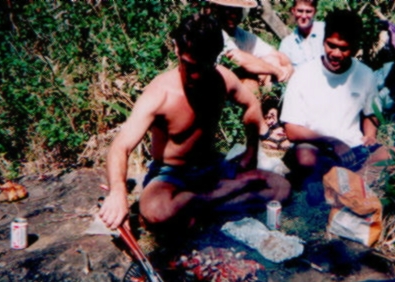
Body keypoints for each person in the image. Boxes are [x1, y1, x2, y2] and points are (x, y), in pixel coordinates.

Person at [98, 13, 290, 233]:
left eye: (204, 66)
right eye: (189, 65)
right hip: (171, 175)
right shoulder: (159, 94)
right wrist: (118, 192)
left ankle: (198, 207)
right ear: (177, 50)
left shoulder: (223, 79)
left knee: (280, 188)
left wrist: (250, 154)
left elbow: (252, 106)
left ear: (216, 56)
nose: (196, 76)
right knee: (156, 210)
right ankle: (217, 201)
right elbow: (120, 147)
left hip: (212, 168)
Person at [280, 9, 395, 187]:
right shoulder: (303, 74)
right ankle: (350, 184)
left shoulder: (365, 74)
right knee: (305, 158)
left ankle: (345, 185)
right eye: (331, 45)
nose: (336, 54)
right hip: (316, 147)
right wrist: (332, 141)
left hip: (354, 148)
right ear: (323, 42)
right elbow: (291, 130)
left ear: (354, 47)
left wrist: (370, 135)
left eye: (343, 48)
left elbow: (371, 114)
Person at [208, 0, 293, 93]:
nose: (233, 15)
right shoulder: (213, 30)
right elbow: (237, 57)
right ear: (218, 9)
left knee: (273, 60)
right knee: (250, 84)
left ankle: (269, 101)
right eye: (228, 10)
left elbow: (277, 55)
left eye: (237, 10)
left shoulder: (241, 34)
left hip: (238, 81)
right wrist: (276, 71)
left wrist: (288, 67)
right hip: (216, 85)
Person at [279, 0, 325, 69]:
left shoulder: (326, 32)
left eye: (308, 11)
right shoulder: (287, 44)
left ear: (315, 12)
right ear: (293, 11)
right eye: (300, 11)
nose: (303, 16)